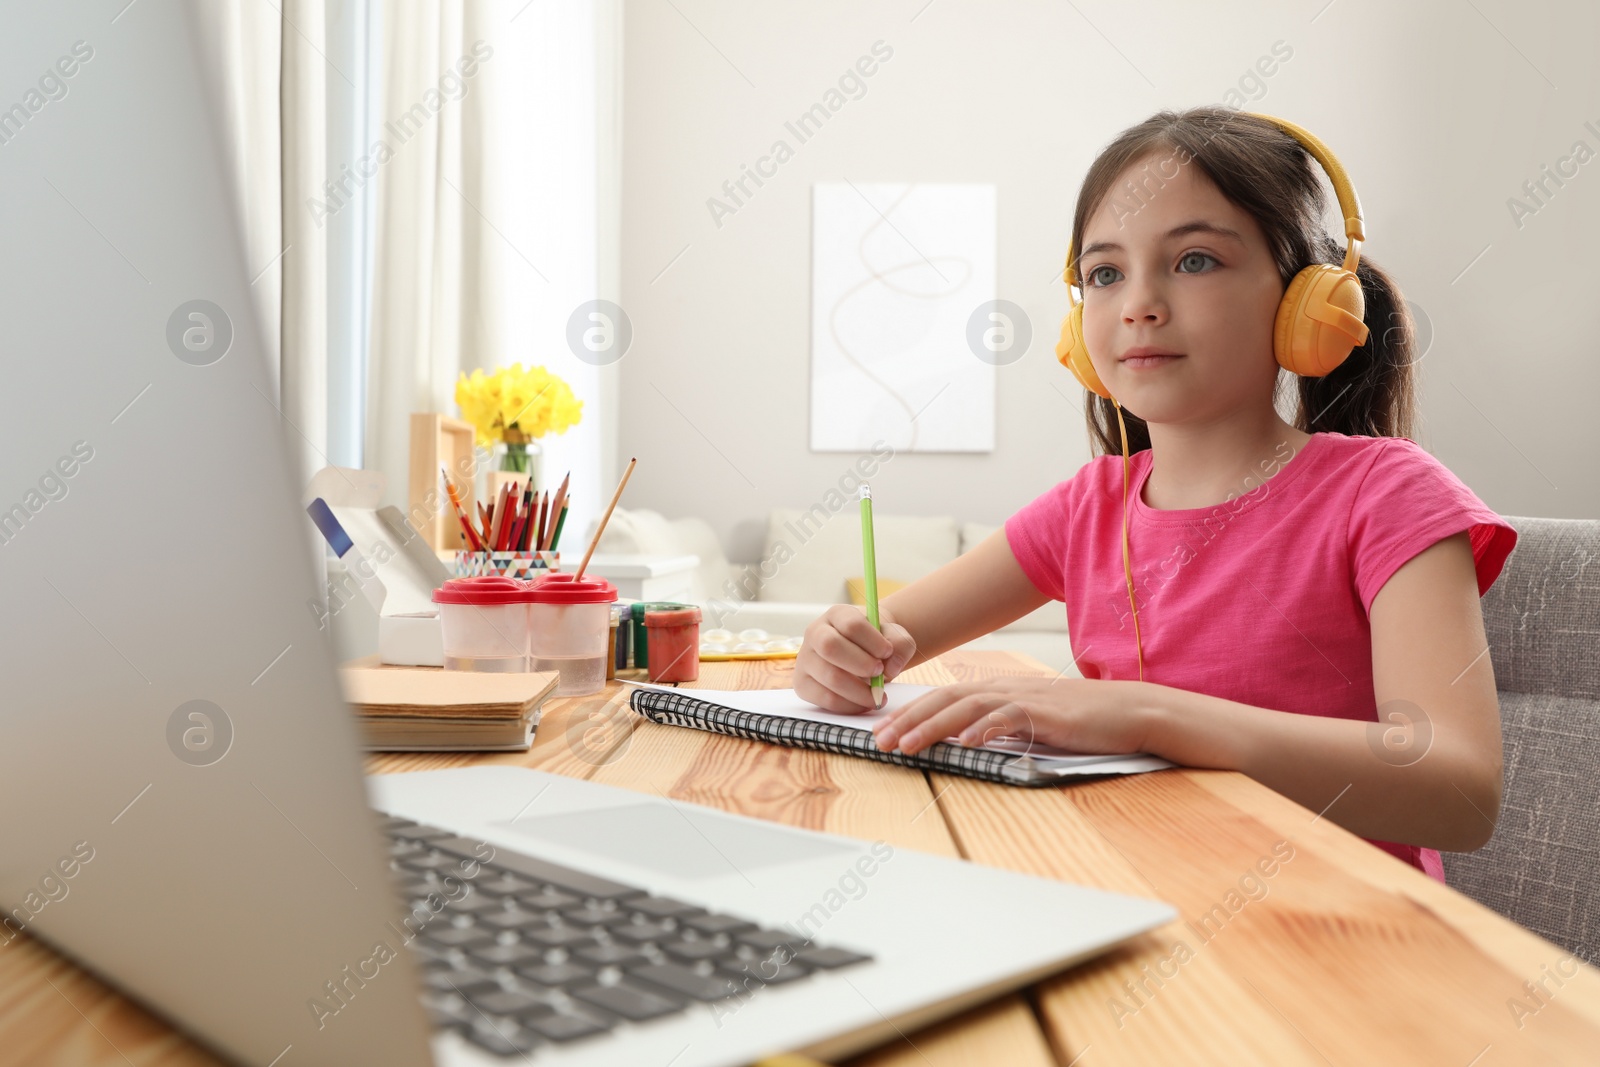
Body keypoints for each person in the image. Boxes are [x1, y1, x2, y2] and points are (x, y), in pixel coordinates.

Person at [793, 107, 1519, 881]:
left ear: (1306, 299)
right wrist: (837, 653)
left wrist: (1147, 714)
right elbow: (884, 638)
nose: (1138, 301)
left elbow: (1460, 789)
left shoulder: (1387, 494)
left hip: (1339, 942)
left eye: (1196, 260)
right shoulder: (1087, 508)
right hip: (1127, 904)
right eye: (1104, 273)